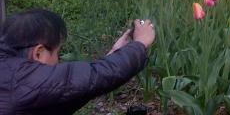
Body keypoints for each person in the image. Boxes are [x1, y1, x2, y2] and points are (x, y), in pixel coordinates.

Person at [0, 9, 155, 114]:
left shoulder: (12, 73)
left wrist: (114, 54)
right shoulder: (23, 80)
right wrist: (140, 44)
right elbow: (95, 77)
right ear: (38, 53)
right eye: (57, 53)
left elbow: (64, 93)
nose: (58, 61)